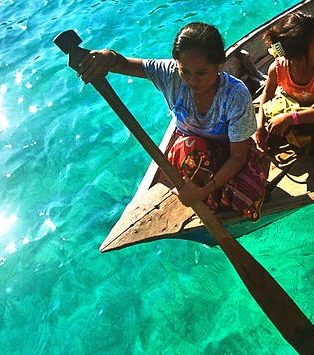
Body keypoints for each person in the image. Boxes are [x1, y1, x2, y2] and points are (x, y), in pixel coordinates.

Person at [76, 22, 268, 220]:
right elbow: (122, 64)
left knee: (247, 197)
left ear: (219, 65)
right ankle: (205, 197)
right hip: (192, 153)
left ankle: (206, 196)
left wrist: (203, 192)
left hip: (229, 151)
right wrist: (106, 57)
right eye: (185, 71)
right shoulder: (169, 74)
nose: (193, 81)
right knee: (192, 148)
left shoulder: (236, 95)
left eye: (202, 73)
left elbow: (237, 157)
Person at [254, 11, 314, 167]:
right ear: (299, 54)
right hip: (295, 108)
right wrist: (261, 126)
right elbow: (267, 94)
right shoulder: (277, 68)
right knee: (271, 129)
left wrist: (290, 119)